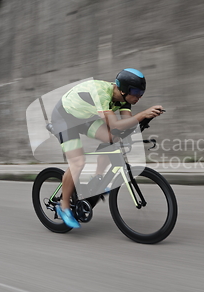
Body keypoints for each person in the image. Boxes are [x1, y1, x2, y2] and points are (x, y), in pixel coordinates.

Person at [50, 68, 164, 228]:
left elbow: (126, 124)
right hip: (64, 118)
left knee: (113, 138)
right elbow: (115, 124)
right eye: (137, 92)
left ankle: (97, 177)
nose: (139, 96)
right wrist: (143, 114)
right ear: (124, 89)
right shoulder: (102, 93)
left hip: (83, 117)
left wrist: (144, 121)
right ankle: (63, 207)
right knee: (78, 163)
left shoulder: (125, 100)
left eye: (142, 92)